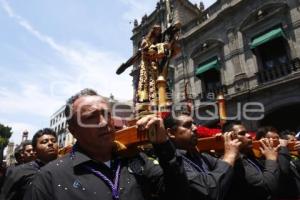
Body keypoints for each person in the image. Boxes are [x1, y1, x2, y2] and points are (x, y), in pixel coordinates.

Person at [24, 88, 188, 200]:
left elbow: (178, 193)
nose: (104, 123)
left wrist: (164, 145)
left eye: (106, 114)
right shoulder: (49, 178)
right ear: (73, 130)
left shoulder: (137, 160)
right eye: (91, 117)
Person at [163, 113, 241, 200]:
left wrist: (223, 153)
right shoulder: (172, 162)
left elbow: (232, 176)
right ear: (171, 133)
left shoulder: (200, 156)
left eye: (194, 124)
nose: (195, 128)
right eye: (188, 125)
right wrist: (229, 155)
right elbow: (209, 192)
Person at [222, 121, 280, 200]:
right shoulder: (233, 161)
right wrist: (271, 159)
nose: (249, 135)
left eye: (247, 132)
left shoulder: (250, 156)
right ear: (230, 138)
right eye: (242, 133)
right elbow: (266, 187)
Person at [0, 128, 58, 200]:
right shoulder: (19, 172)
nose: (50, 143)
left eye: (54, 141)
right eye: (44, 141)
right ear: (35, 150)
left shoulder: (65, 170)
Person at [257, 126, 300, 199]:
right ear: (262, 140)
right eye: (273, 138)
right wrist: (283, 148)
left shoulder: (285, 153)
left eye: (278, 138)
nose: (278, 141)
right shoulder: (262, 158)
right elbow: (284, 170)